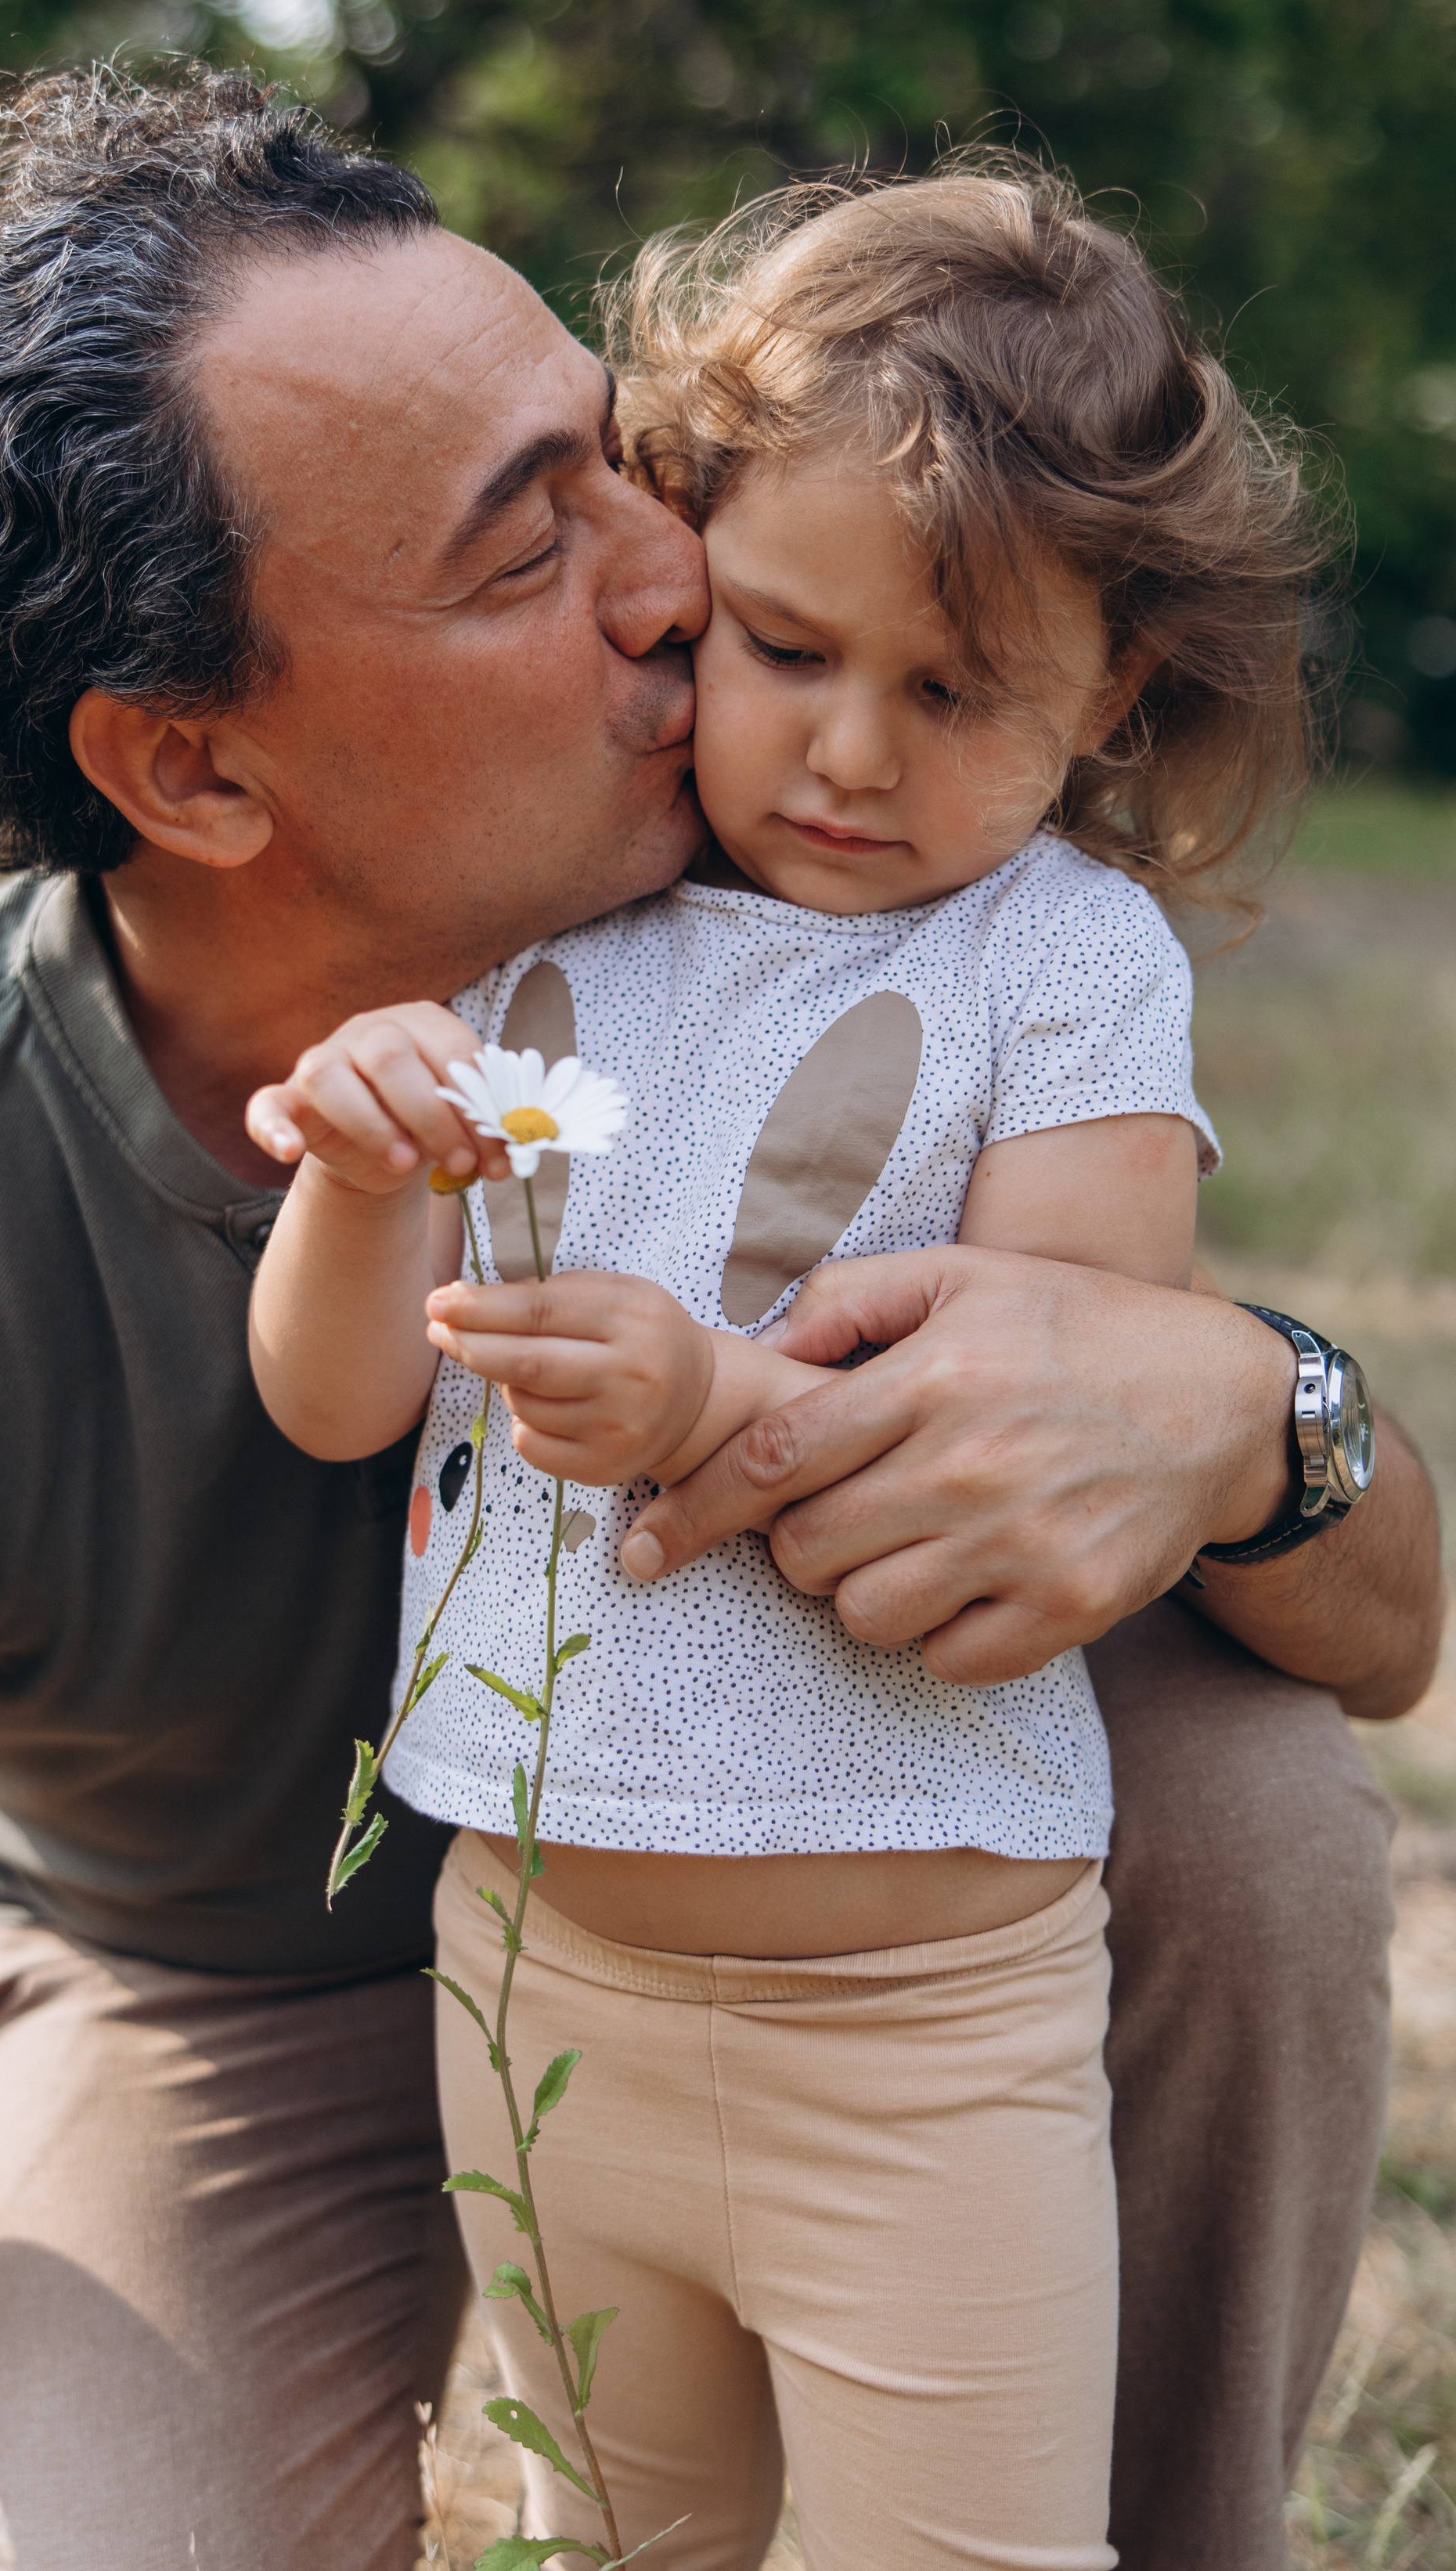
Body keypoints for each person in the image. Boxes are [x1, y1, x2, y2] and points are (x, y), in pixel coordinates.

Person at [0, 67, 1437, 2571]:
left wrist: (1244, 1403)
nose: (676, 576)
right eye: (529, 555)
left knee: (1254, 1800)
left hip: (851, 1900)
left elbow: (1385, 1636)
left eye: (612, 458)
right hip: (215, 2002)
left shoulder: (925, 937)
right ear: (191, 769)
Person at [241, 164, 1320, 2570]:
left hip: (915, 2035)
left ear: (1116, 687)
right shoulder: (555, 918)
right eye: (783, 645)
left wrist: (715, 1411)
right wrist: (355, 1168)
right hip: (530, 1983)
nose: (847, 753)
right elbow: (334, 1403)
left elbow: (1047, 1425)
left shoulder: (1067, 962)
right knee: (623, 2541)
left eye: (956, 694)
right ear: (691, 567)